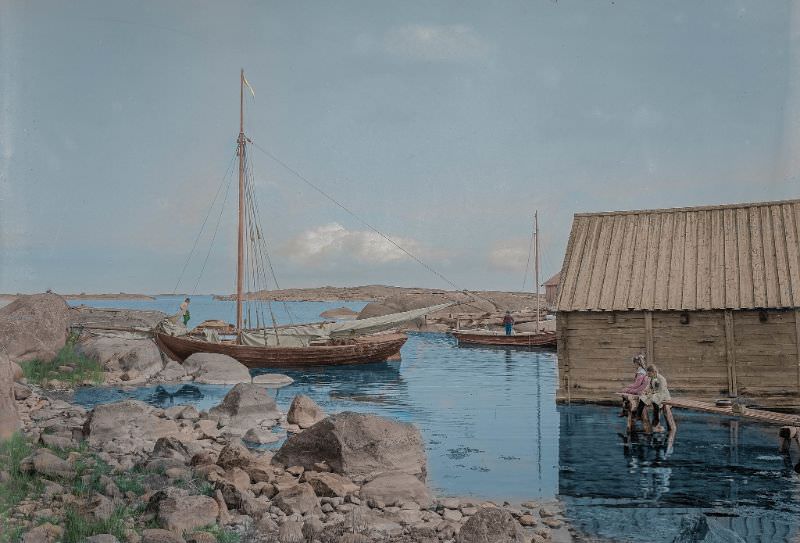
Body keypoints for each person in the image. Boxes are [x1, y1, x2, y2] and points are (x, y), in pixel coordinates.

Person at [636, 364, 671, 432]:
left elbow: (662, 390)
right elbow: (649, 387)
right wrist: (645, 391)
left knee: (655, 400)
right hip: (655, 393)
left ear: (654, 372)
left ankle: (656, 420)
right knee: (642, 398)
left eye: (649, 373)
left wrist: (652, 394)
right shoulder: (651, 378)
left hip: (663, 395)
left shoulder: (661, 379)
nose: (648, 375)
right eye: (647, 373)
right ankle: (638, 415)